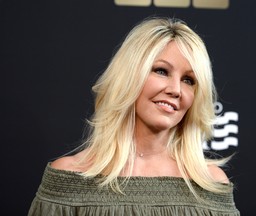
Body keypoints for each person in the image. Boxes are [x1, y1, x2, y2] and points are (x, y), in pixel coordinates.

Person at [28, 16, 240, 215]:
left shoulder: (211, 184)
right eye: (161, 71)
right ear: (129, 76)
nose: (176, 89)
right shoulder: (68, 178)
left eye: (188, 80)